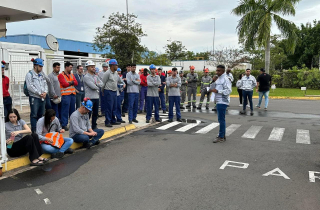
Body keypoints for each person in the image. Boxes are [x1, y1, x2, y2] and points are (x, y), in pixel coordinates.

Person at [209, 65, 232, 143]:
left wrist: (218, 91)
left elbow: (228, 91)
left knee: (221, 119)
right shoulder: (218, 79)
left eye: (219, 71)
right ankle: (222, 135)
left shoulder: (226, 79)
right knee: (220, 119)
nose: (217, 72)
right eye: (216, 70)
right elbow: (213, 88)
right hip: (218, 101)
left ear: (223, 71)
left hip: (223, 101)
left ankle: (221, 137)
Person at [25, 58, 48, 133]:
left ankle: (40, 130)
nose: (41, 68)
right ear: (35, 66)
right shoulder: (29, 75)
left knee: (41, 115)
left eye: (42, 66)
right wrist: (39, 93)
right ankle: (34, 131)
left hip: (42, 98)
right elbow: (30, 86)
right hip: (34, 98)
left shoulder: (41, 75)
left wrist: (45, 92)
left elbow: (45, 84)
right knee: (34, 115)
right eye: (40, 66)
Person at [102, 59, 124, 127]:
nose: (117, 66)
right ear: (112, 65)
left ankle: (113, 120)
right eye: (116, 65)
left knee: (114, 107)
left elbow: (119, 80)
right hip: (108, 91)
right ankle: (107, 121)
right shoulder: (107, 73)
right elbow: (103, 83)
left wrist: (123, 83)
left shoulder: (116, 73)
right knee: (109, 107)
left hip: (114, 91)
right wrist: (103, 91)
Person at [83, 60, 103, 129]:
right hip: (89, 98)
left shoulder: (96, 76)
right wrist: (97, 85)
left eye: (94, 67)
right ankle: (86, 127)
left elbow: (101, 83)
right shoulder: (86, 77)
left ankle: (94, 125)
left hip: (96, 97)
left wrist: (96, 84)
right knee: (88, 113)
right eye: (92, 67)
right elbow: (93, 86)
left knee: (95, 113)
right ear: (87, 68)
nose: (93, 68)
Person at [58, 62, 78, 130]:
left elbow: (76, 83)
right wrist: (72, 82)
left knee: (72, 111)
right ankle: (64, 124)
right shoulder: (61, 75)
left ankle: (72, 124)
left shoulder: (72, 75)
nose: (71, 69)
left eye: (72, 67)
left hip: (72, 95)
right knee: (65, 110)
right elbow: (64, 84)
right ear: (66, 67)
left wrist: (70, 82)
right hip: (65, 95)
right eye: (70, 67)